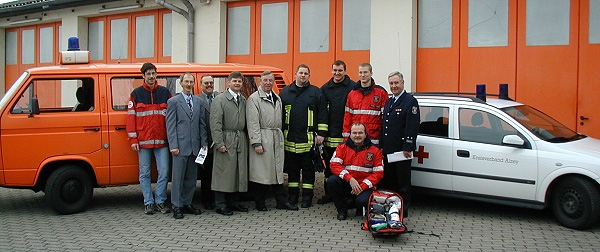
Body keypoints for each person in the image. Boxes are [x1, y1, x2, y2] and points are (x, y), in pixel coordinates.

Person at [246, 71, 299, 211]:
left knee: (276, 171)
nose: (268, 83)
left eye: (270, 80)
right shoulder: (254, 99)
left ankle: (281, 201)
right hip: (263, 137)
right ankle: (260, 202)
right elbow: (252, 122)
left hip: (276, 137)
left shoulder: (277, 98)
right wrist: (256, 142)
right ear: (260, 81)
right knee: (262, 173)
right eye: (265, 80)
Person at [280, 64, 328, 208]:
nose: (303, 75)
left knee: (308, 170)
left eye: (306, 73)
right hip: (290, 139)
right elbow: (280, 115)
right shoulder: (285, 92)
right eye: (300, 73)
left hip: (308, 140)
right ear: (295, 74)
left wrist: (321, 133)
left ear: (309, 76)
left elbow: (322, 114)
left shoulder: (316, 92)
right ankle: (293, 196)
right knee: (292, 171)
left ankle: (307, 197)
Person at [126, 62, 172, 215]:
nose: (151, 76)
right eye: (148, 74)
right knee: (144, 174)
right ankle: (148, 202)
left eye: (153, 73)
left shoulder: (165, 93)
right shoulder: (136, 94)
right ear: (143, 76)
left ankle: (160, 201)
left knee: (164, 172)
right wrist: (133, 140)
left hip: (162, 141)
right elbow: (130, 119)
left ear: (156, 74)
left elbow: (172, 118)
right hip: (143, 141)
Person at [166, 73, 208, 219]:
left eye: (191, 82)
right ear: (181, 83)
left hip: (194, 146)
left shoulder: (198, 102)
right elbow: (170, 126)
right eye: (186, 82)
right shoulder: (173, 102)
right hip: (180, 146)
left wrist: (203, 143)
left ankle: (187, 203)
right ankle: (176, 205)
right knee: (178, 178)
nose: (189, 84)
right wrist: (173, 145)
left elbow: (202, 124)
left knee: (191, 177)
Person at [380, 71, 420, 217]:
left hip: (402, 151)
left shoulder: (410, 101)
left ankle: (404, 208)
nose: (394, 86)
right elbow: (385, 126)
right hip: (389, 150)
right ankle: (392, 206)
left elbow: (412, 125)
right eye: (391, 83)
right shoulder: (389, 101)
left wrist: (408, 147)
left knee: (403, 182)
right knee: (390, 180)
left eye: (396, 83)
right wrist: (382, 146)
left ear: (403, 83)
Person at [318, 60, 357, 205]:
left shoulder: (353, 87)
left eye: (340, 70)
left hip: (348, 136)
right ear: (331, 70)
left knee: (348, 167)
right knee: (329, 167)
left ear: (345, 71)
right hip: (330, 136)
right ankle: (329, 194)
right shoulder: (325, 88)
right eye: (335, 70)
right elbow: (322, 112)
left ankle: (347, 194)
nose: (337, 73)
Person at [210, 71, 249, 216]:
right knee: (223, 172)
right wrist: (219, 142)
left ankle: (234, 202)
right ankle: (220, 204)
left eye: (239, 81)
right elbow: (215, 123)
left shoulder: (243, 100)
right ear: (229, 82)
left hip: (240, 139)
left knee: (238, 171)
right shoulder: (220, 100)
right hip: (226, 138)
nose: (237, 84)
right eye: (235, 81)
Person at [327, 122, 384, 220]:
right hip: (348, 183)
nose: (357, 135)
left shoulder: (375, 150)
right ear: (350, 134)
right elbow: (334, 165)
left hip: (364, 186)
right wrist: (350, 179)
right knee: (332, 181)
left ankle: (356, 205)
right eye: (354, 133)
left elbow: (378, 173)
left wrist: (362, 186)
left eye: (360, 133)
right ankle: (342, 210)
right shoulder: (342, 147)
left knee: (362, 201)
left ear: (365, 134)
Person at [343, 63, 388, 146]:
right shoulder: (352, 94)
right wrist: (347, 139)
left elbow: (385, 119)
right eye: (360, 72)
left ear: (371, 73)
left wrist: (383, 140)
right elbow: (347, 118)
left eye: (365, 72)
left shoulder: (381, 93)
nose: (362, 75)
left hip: (374, 140)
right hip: (356, 140)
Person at [197, 74, 219, 210]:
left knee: (219, 173)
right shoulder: (197, 100)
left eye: (211, 82)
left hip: (218, 142)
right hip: (204, 143)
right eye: (206, 83)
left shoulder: (219, 98)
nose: (209, 85)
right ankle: (207, 201)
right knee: (206, 174)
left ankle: (218, 199)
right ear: (200, 85)